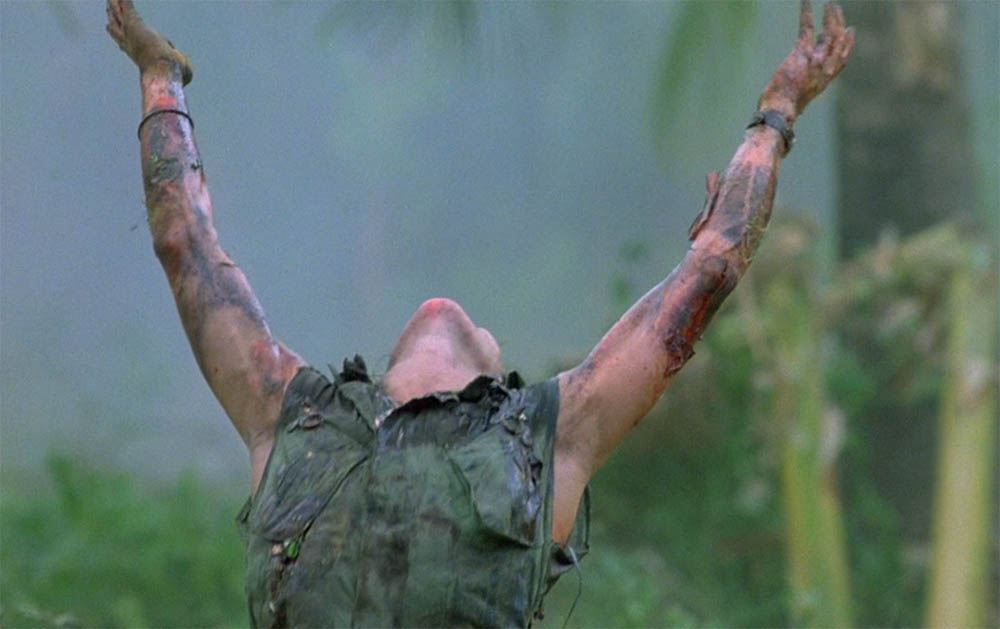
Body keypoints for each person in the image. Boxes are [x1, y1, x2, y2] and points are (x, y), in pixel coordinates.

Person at [106, 0, 853, 626]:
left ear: (498, 375)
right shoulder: (294, 416)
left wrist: (777, 113)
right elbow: (183, 244)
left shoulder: (549, 438)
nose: (445, 310)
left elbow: (710, 270)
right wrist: (160, 74)